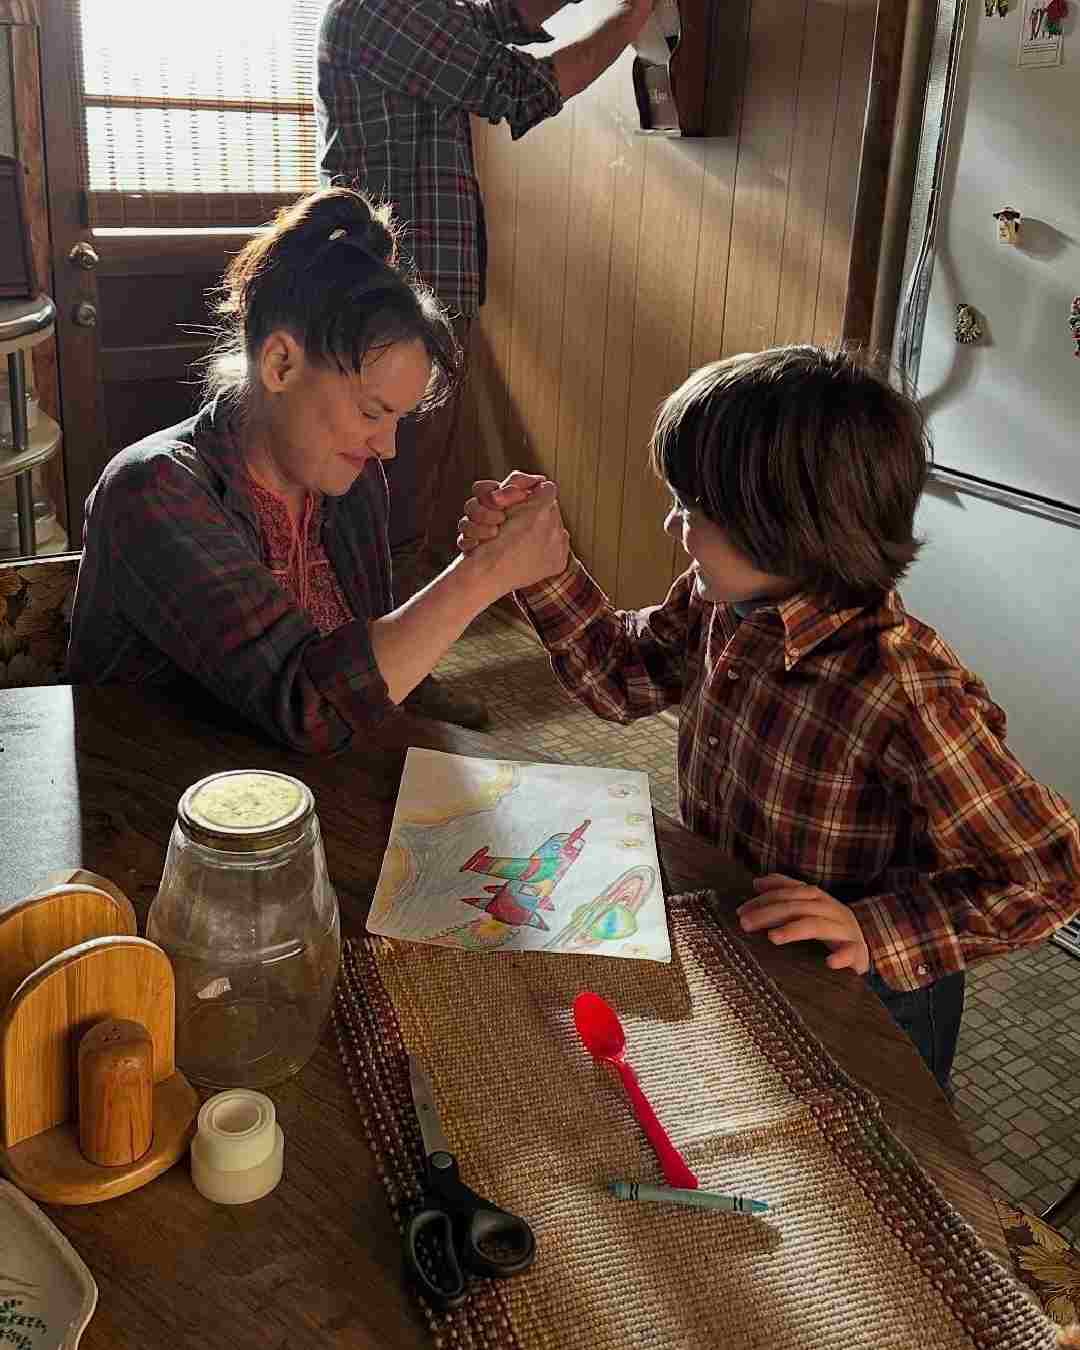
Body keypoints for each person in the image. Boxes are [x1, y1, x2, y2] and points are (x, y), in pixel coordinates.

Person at [457, 345, 1080, 1090]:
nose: (675, 526)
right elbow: (620, 679)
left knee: (875, 1151)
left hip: (872, 992)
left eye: (694, 511)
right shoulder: (724, 602)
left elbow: (1051, 873)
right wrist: (548, 568)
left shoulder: (903, 688)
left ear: (787, 527)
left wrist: (873, 930)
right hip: (746, 932)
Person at [66, 187, 567, 753]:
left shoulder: (348, 484)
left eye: (398, 418)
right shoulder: (154, 490)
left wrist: (490, 553)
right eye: (372, 412)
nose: (388, 446)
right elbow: (310, 707)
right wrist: (484, 575)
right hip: (159, 810)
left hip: (306, 795)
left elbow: (373, 677)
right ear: (281, 363)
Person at [316, 0, 656, 728]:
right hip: (383, 311)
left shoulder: (422, 12)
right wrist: (635, 14)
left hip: (415, 307)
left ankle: (388, 678)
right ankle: (375, 685)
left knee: (401, 499)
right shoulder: (382, 10)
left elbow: (503, 13)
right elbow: (523, 88)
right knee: (381, 501)